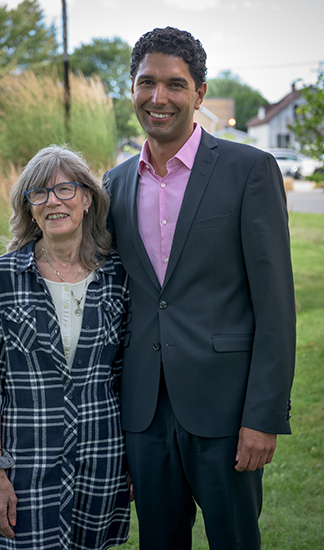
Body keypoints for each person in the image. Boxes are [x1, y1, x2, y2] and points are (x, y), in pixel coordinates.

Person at [103, 27, 296, 550]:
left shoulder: (248, 171)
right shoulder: (113, 185)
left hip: (226, 412)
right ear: (133, 88)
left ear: (200, 93)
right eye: (147, 83)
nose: (158, 97)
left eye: (175, 84)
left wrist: (263, 416)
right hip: (143, 414)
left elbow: (275, 306)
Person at [0, 145, 130, 550]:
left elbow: (126, 373)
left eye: (65, 190)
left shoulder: (117, 273)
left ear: (88, 199)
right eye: (39, 193)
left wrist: (130, 464)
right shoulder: (3, 275)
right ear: (30, 207)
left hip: (102, 456)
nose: (53, 201)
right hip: (28, 459)